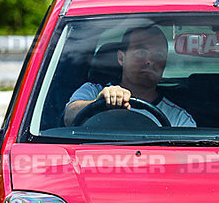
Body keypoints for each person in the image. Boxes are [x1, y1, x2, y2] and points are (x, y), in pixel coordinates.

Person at [63, 25, 196, 127]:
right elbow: (69, 117)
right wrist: (99, 103)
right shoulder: (93, 91)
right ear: (121, 58)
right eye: (141, 53)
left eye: (159, 55)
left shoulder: (179, 119)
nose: (150, 60)